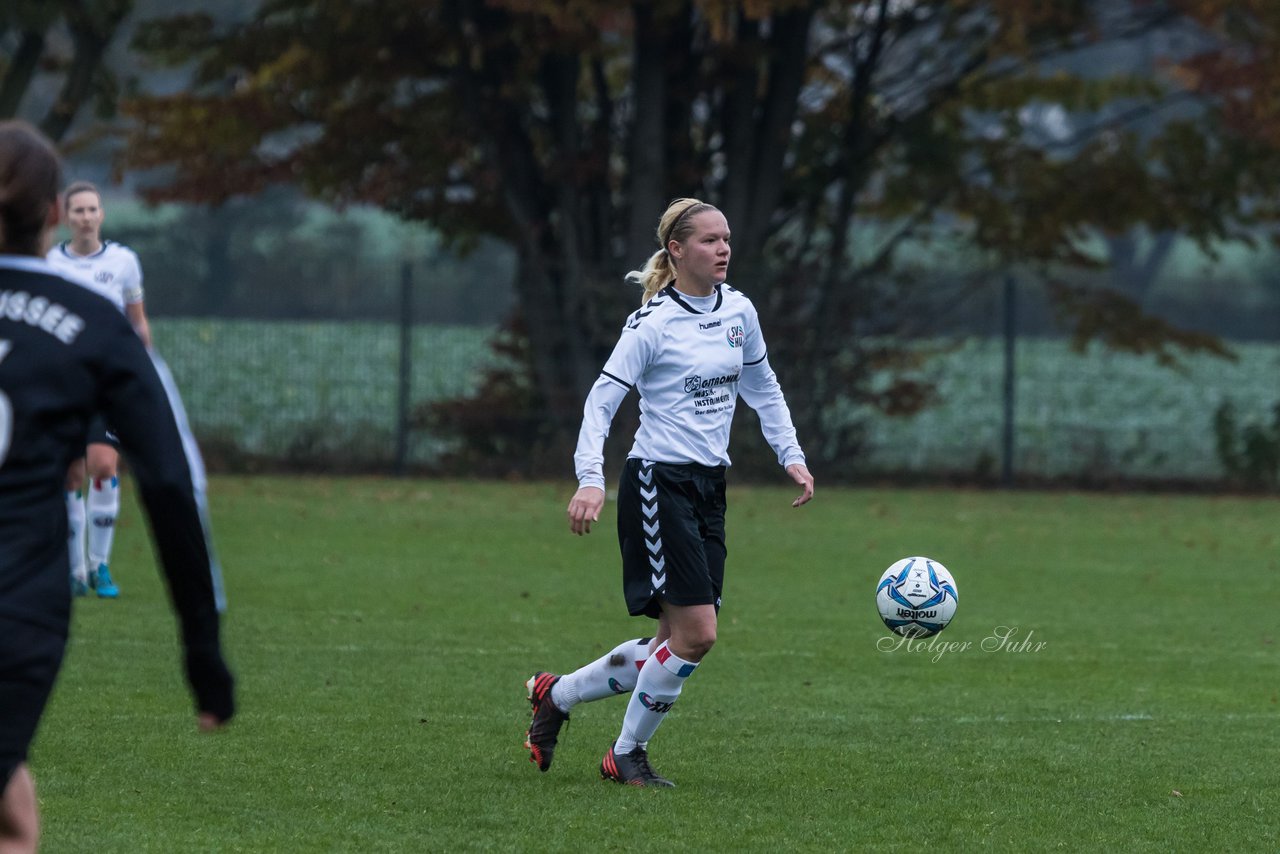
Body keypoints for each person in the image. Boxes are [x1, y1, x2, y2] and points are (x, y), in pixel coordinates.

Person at [0, 119, 234, 852]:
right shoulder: (92, 325)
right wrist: (202, 649)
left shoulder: (111, 292)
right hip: (17, 604)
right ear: (50, 215)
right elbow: (168, 484)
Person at [524, 197, 815, 787]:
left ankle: (556, 695)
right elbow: (601, 403)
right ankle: (625, 754)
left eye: (726, 238)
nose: (724, 248)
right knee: (698, 634)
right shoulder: (653, 323)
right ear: (676, 251)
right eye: (709, 240)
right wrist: (589, 479)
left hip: (710, 486)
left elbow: (764, 386)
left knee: (672, 640)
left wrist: (792, 454)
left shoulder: (739, 311)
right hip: (658, 484)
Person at [45, 180, 151, 599]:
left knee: (104, 466)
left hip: (107, 383)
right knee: (71, 472)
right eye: (78, 211)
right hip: (66, 384)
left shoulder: (124, 262)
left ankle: (100, 566)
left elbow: (137, 322)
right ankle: (73, 571)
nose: (86, 218)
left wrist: (145, 371)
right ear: (65, 216)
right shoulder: (52, 262)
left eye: (92, 210)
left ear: (102, 214)